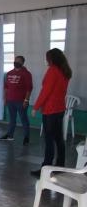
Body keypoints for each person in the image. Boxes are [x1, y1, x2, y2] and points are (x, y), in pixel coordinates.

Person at [31, 48, 72, 178]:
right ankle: (60, 165)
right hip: (60, 109)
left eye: (47, 58)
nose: (45, 60)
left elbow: (46, 91)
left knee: (49, 140)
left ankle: (45, 168)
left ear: (51, 59)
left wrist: (35, 107)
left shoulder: (53, 71)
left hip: (50, 110)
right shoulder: (64, 71)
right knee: (59, 138)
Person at [0, 56, 33, 145]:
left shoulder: (26, 74)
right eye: (15, 61)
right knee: (12, 119)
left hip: (21, 101)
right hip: (10, 101)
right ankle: (10, 135)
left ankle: (26, 137)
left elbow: (29, 88)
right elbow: (6, 87)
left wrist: (26, 100)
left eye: (18, 61)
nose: (16, 62)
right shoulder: (9, 73)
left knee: (24, 119)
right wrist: (5, 98)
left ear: (22, 63)